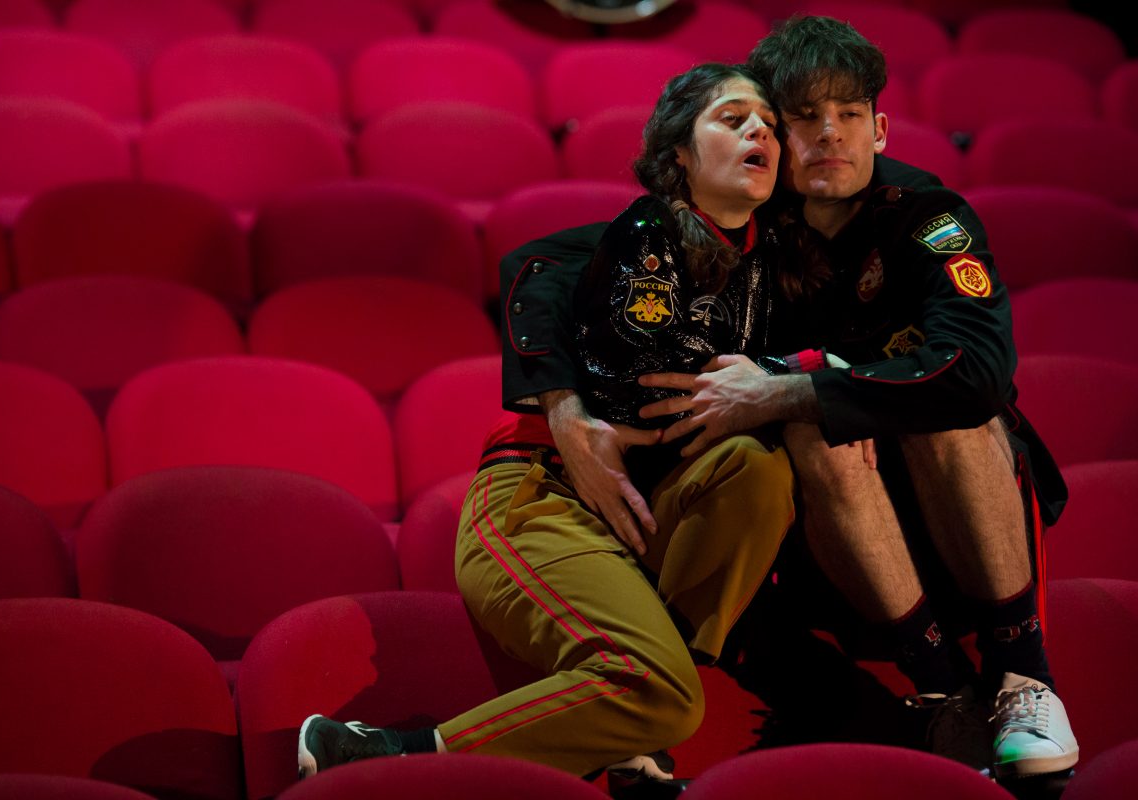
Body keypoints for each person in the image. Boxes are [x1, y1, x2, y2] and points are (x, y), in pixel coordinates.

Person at [498, 15, 1079, 782]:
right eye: (803, 116)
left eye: (848, 114)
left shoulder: (926, 217)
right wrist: (566, 411)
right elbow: (542, 265)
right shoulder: (746, 208)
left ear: (879, 129)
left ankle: (1023, 674)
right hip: (822, 507)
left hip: (955, 479)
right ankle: (940, 686)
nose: (828, 133)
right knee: (809, 427)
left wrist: (790, 388)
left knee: (939, 410)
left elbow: (978, 372)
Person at [297, 63, 797, 783]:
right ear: (679, 156)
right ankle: (387, 758)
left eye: (771, 125)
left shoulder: (775, 272)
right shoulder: (633, 238)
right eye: (732, 118)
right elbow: (529, 269)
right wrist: (567, 414)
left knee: (756, 467)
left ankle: (634, 717)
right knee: (665, 693)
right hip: (543, 488)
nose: (760, 131)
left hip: (652, 507)